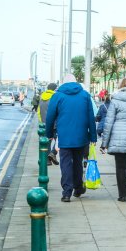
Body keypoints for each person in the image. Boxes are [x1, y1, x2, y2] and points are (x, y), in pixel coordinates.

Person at [46, 74, 97, 202]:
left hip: (64, 136)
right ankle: (78, 188)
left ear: (63, 83)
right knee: (78, 163)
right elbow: (91, 117)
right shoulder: (85, 95)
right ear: (76, 82)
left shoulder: (57, 96)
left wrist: (49, 134)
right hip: (81, 135)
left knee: (65, 163)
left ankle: (66, 192)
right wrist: (93, 136)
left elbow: (50, 117)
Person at [38, 83, 59, 165]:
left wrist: (42, 121)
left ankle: (48, 160)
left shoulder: (42, 96)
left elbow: (38, 111)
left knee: (48, 142)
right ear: (55, 89)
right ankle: (53, 153)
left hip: (45, 123)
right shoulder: (55, 96)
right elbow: (57, 110)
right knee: (59, 140)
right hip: (55, 123)